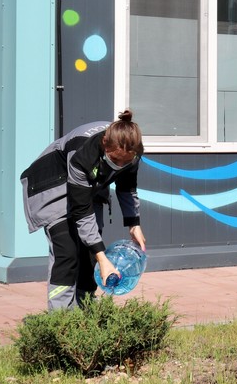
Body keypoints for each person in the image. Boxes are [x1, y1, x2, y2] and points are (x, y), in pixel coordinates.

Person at [21, 110, 147, 311]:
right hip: (52, 185)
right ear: (105, 144)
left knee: (91, 254)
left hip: (91, 188)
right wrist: (102, 256)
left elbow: (127, 187)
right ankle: (61, 317)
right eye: (115, 161)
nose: (120, 166)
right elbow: (81, 210)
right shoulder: (82, 154)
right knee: (67, 252)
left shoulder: (132, 149)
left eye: (126, 162)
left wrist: (134, 224)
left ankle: (85, 308)